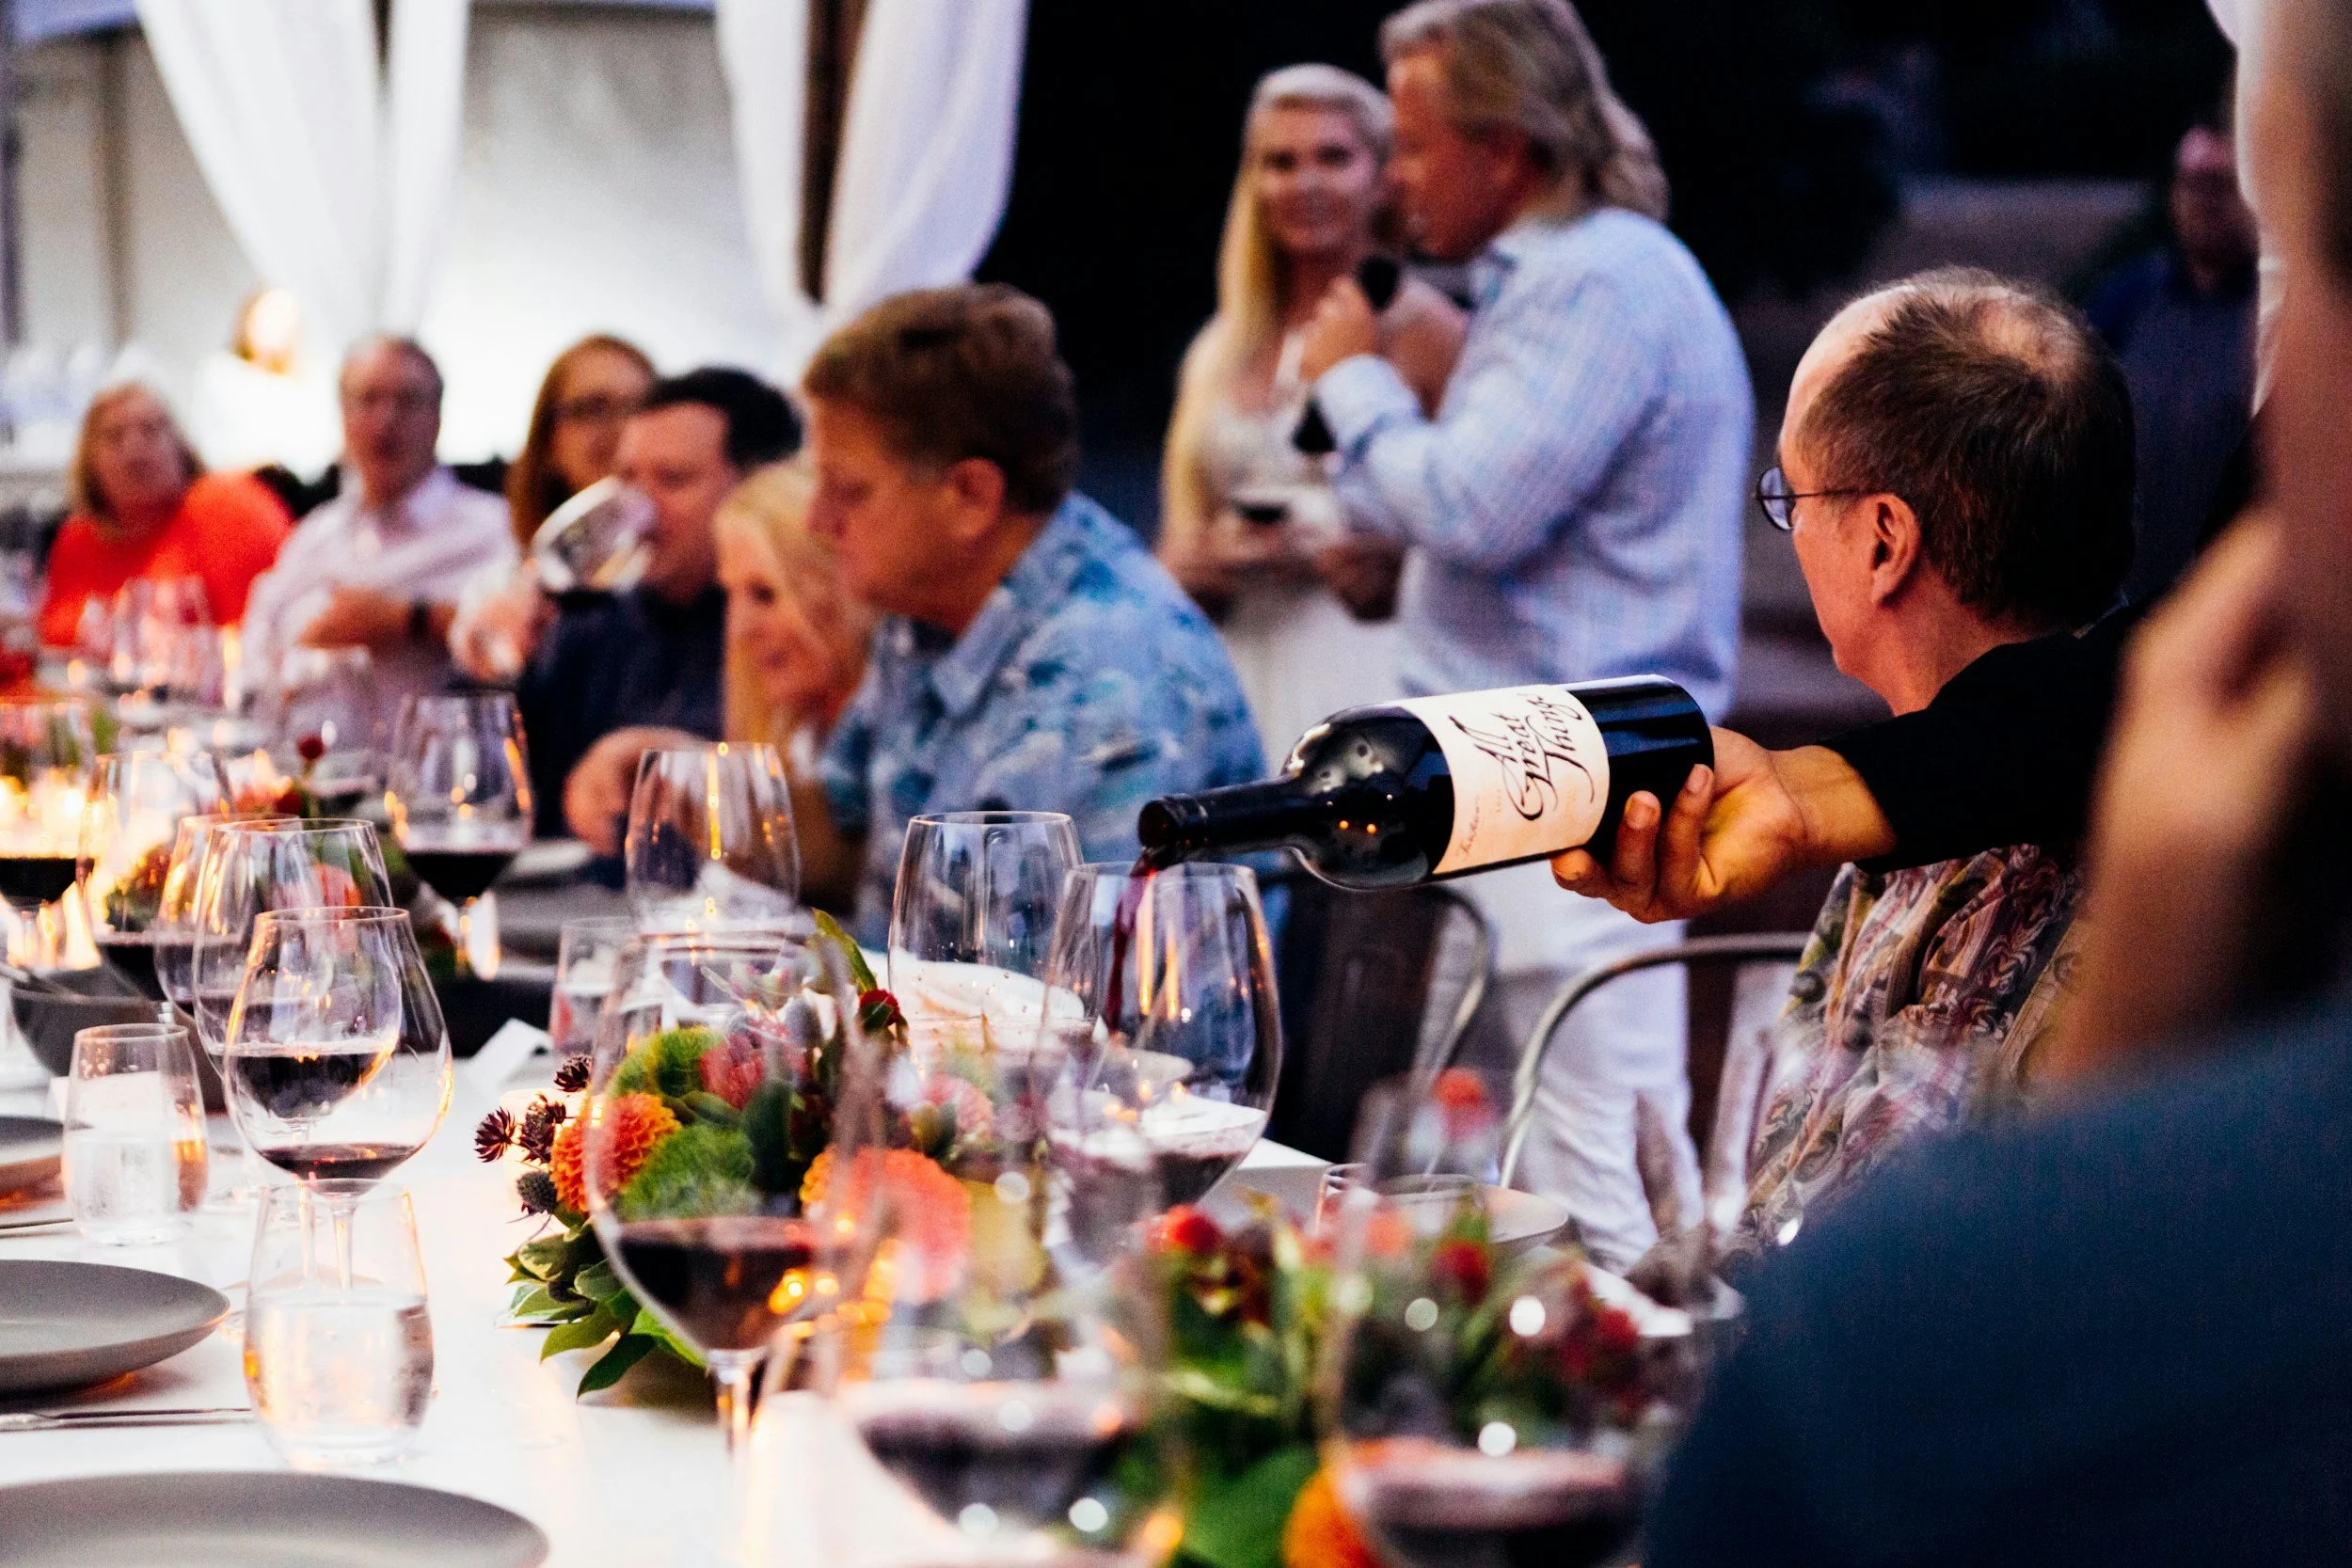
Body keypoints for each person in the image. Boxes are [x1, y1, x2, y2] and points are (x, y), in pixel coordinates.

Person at [1645, 0, 2352, 1556]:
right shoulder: (1969, 789)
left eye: (1793, 500)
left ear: (1884, 537)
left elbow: (1906, 1352)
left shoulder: (2145, 837)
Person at [1295, 0, 1753, 1268]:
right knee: (1485, 1191)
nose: (1394, 180)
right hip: (1523, 793)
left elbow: (1479, 503)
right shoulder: (1557, 281)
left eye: (1415, 145)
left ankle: (1654, 1441)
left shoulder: (1599, 280)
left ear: (1510, 147)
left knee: (1601, 1191)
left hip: (1577, 802)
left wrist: (1352, 378)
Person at [1725, 268, 2134, 1262]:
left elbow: (1843, 1248)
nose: (1791, 524)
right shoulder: (1944, 775)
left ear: (1882, 543)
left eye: (1791, 493)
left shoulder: (2013, 846)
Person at [802, 283, 1264, 944]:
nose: (816, 521)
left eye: (848, 490)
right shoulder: (928, 606)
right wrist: (695, 792)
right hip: (922, 1027)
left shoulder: (1115, 688)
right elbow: (842, 826)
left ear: (971, 495)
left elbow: (1080, 1010)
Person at [1159, 64, 1464, 761]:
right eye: (1280, 162)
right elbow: (1178, 528)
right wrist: (1189, 565)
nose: (1305, 183)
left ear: (1382, 175)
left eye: (1333, 157)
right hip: (1234, 664)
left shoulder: (1423, 328)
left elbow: (1477, 519)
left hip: (1365, 663)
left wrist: (1383, 563)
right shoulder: (1223, 345)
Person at [561, 461, 872, 896]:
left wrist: (704, 774)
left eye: (765, 594)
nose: (741, 628)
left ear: (845, 585)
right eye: (732, 595)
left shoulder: (889, 725)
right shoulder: (795, 732)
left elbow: (846, 860)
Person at [513, 367, 800, 836]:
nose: (637, 512)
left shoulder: (783, 631)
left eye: (672, 480)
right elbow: (492, 794)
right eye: (627, 479)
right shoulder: (592, 625)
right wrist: (495, 665)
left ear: (760, 487)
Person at [241, 337, 517, 719]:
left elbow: (521, 647)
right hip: (307, 765)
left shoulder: (493, 529)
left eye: (407, 401)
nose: (386, 420)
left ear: (438, 415)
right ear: (342, 416)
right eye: (368, 400)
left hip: (438, 766)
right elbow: (253, 664)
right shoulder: (312, 537)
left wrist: (406, 619)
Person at [2088, 117, 2260, 602]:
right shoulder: (2129, 299)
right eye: (2192, 182)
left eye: (2221, 184)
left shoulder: (2276, 313)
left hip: (2230, 602)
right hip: (2122, 596)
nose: (2204, 200)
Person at [37, 383, 295, 648]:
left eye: (151, 429)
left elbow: (267, 634)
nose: (134, 451)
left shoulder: (228, 508)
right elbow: (49, 631)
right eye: (114, 436)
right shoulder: (77, 537)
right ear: (89, 462)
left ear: (181, 444)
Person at [502, 335, 659, 552]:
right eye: (595, 408)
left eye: (640, 407)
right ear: (548, 442)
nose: (623, 427)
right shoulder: (501, 577)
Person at [192, 286, 342, 482]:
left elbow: (321, 446)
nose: (276, 328)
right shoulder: (222, 375)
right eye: (269, 318)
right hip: (241, 484)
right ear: (249, 321)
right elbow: (208, 443)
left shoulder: (311, 386)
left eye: (284, 320)